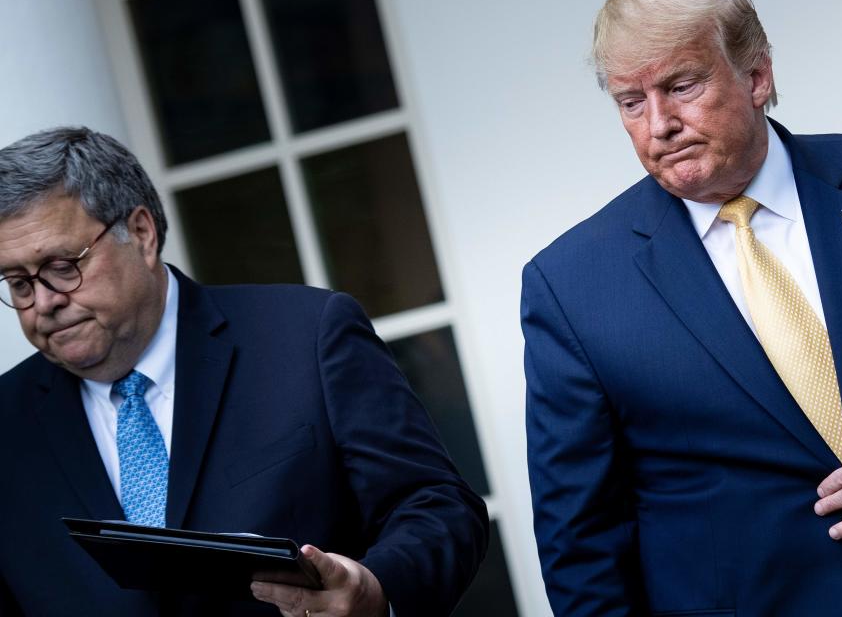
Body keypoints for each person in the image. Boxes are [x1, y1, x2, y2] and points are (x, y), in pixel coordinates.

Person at [521, 0, 842, 615]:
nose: (660, 125)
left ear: (756, 75)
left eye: (680, 85)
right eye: (630, 102)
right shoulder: (572, 288)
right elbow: (581, 547)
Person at [0, 127, 488, 617]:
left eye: (63, 266)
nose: (43, 303)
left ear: (142, 234)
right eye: (19, 283)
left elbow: (438, 507)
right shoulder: (7, 421)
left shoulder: (305, 337)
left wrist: (377, 586)